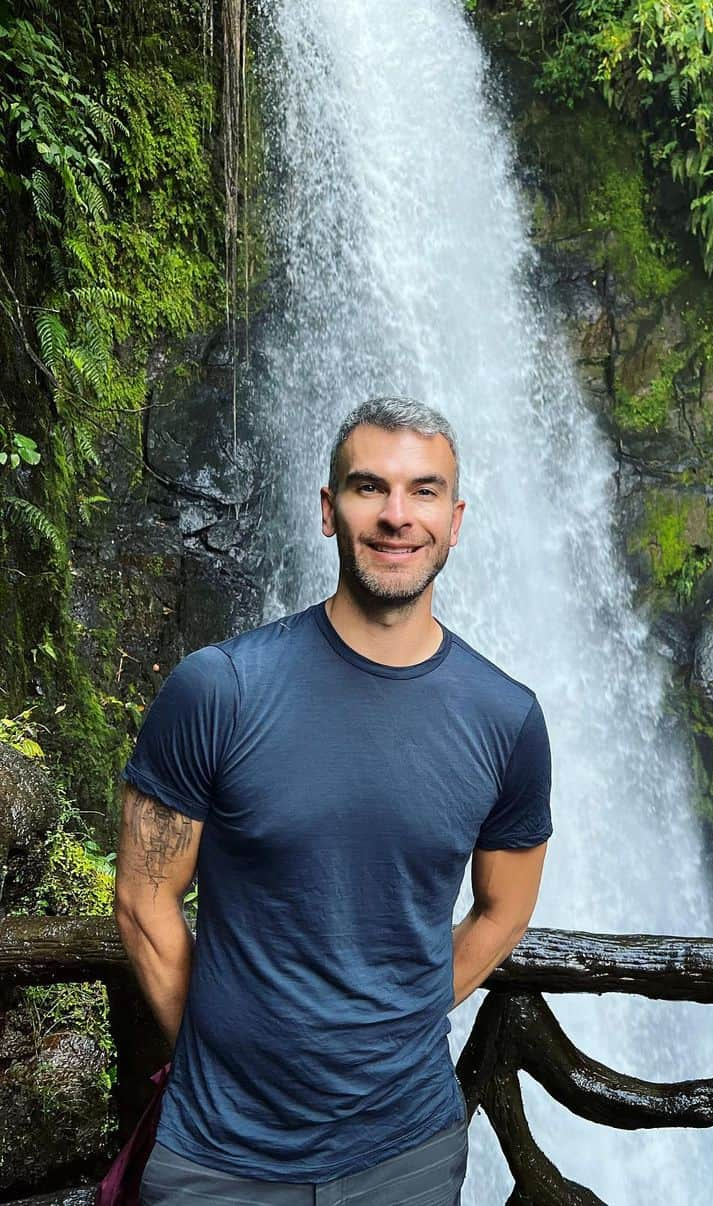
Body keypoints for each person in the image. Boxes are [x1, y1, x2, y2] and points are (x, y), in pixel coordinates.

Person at [113, 396, 553, 1205]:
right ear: (328, 510)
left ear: (455, 521)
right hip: (218, 1158)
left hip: (407, 1152)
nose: (396, 516)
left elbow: (504, 910)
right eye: (367, 488)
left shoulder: (508, 720)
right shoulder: (220, 690)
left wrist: (389, 1022)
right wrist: (222, 1054)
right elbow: (144, 898)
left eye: (423, 492)